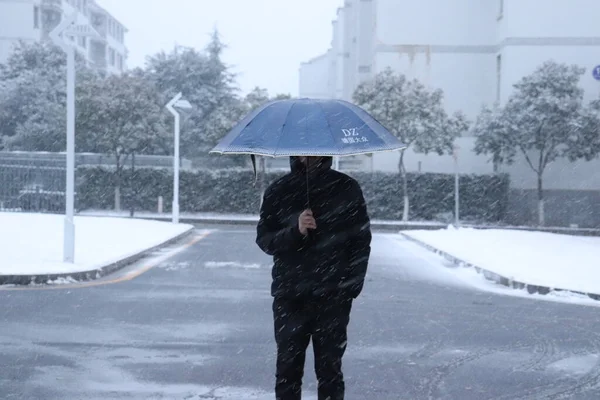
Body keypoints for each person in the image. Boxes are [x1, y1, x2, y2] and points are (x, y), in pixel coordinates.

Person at [256, 156, 372, 400]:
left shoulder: (346, 188)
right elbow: (265, 240)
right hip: (290, 295)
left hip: (333, 296)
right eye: (301, 148)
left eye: (313, 149)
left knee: (330, 370)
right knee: (287, 368)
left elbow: (361, 242)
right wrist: (295, 231)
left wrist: (350, 287)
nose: (307, 154)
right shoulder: (279, 190)